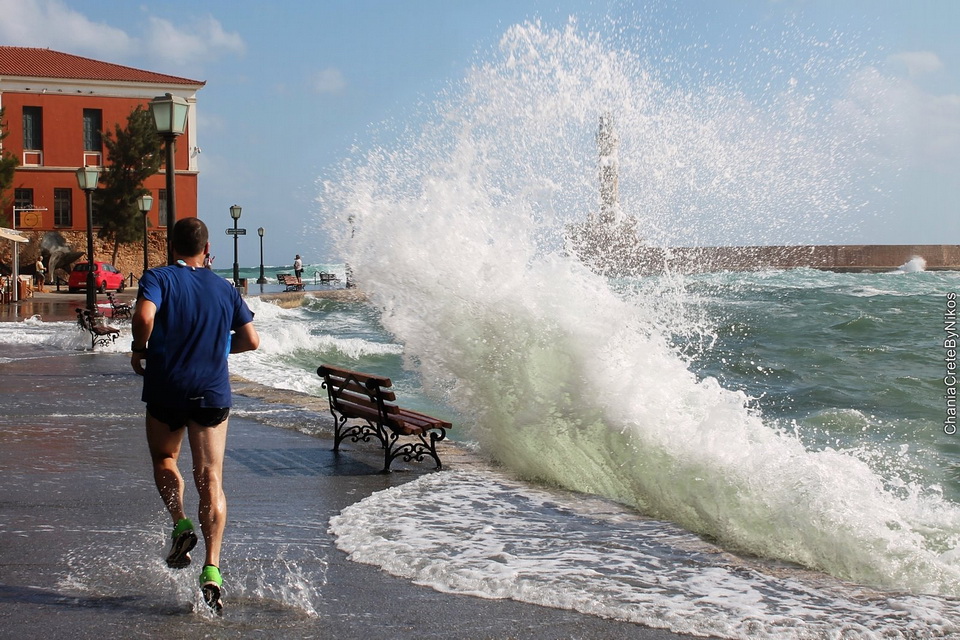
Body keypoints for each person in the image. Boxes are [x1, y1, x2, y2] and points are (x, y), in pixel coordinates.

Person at [130, 218, 260, 614]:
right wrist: (217, 354)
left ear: (172, 247)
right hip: (211, 390)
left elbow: (144, 317)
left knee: (165, 458)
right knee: (211, 477)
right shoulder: (224, 287)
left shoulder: (159, 277)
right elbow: (251, 340)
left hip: (168, 384)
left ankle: (181, 524)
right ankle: (212, 570)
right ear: (207, 249)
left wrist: (140, 348)